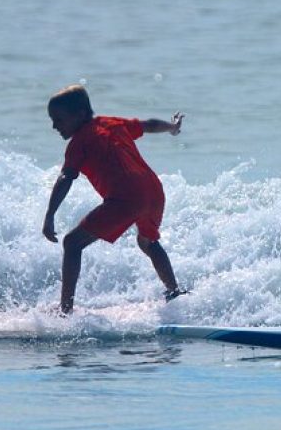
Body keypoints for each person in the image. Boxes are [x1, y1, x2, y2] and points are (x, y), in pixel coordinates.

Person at [42, 84, 186, 314]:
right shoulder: (112, 122)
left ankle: (65, 310)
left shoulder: (78, 143)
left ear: (79, 114)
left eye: (59, 119)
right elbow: (148, 125)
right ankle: (174, 292)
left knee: (72, 243)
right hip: (153, 191)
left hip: (126, 197)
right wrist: (172, 127)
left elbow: (66, 177)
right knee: (147, 242)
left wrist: (49, 215)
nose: (54, 126)